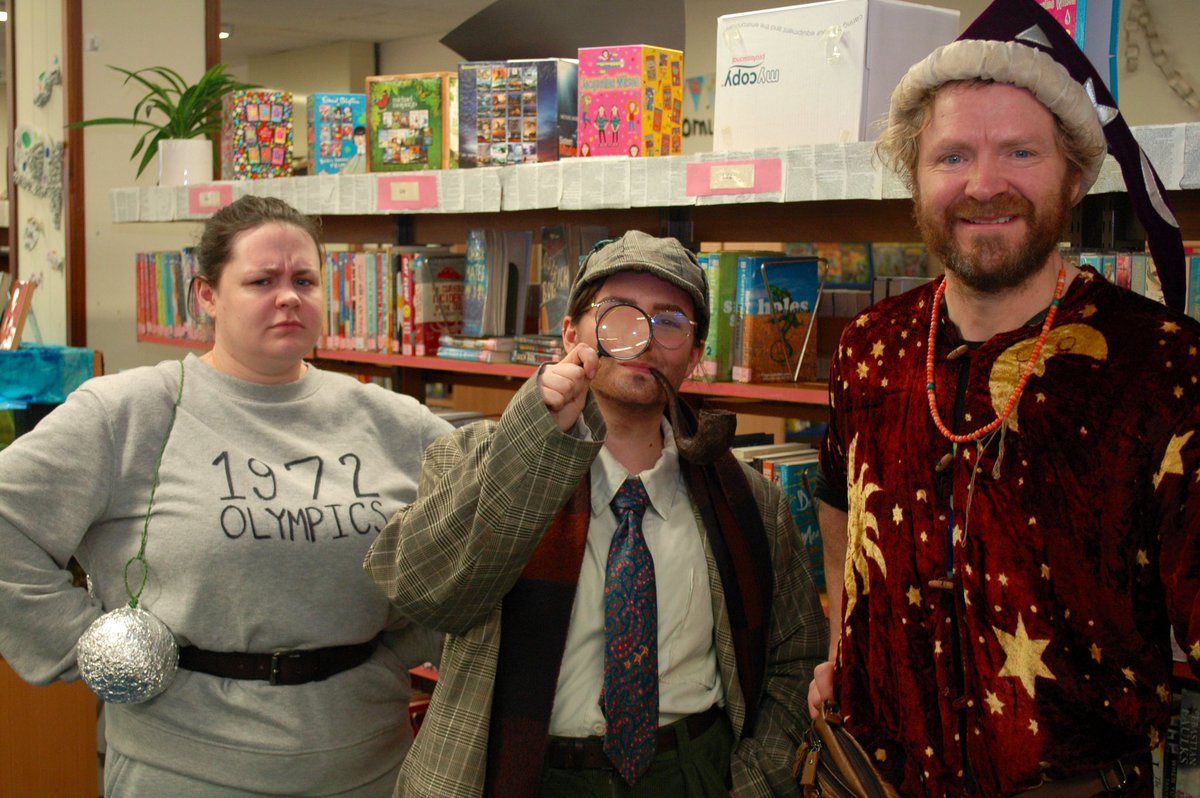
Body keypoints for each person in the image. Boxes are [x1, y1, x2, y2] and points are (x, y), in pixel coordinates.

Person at [807, 1, 1200, 796]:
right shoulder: (869, 347)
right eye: (951, 156)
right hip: (869, 776)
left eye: (1020, 151)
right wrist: (845, 649)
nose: (984, 184)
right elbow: (838, 505)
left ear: (1076, 174)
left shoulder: (1162, 364)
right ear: (914, 178)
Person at [0, 195, 453, 796]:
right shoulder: (129, 413)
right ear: (207, 296)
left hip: (366, 762)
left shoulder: (394, 422)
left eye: (305, 280)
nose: (288, 296)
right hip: (185, 768)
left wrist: (407, 646)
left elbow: (484, 535)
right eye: (262, 280)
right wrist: (88, 646)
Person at [366, 229, 827, 798]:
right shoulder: (477, 457)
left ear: (697, 353)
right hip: (527, 773)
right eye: (619, 317)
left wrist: (755, 782)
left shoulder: (750, 502)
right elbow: (424, 590)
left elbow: (797, 656)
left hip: (693, 771)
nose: (645, 340)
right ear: (570, 334)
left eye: (670, 323)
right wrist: (534, 440)